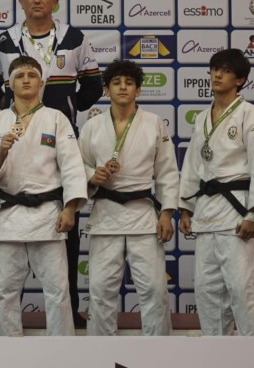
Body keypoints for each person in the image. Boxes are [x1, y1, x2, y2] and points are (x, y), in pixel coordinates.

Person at [0, 0, 101, 327]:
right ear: (21, 1)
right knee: (10, 268)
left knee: (64, 240)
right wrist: (11, 109)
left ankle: (69, 311)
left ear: (54, 1)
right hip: (17, 130)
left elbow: (93, 85)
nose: (37, 0)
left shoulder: (74, 38)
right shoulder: (4, 41)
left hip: (59, 131)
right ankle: (7, 320)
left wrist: (66, 108)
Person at [0, 56, 87, 336]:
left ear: (41, 82)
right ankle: (10, 348)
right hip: (11, 215)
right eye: (19, 76)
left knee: (58, 290)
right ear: (9, 84)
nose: (26, 80)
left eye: (31, 75)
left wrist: (70, 208)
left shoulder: (56, 118)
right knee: (5, 291)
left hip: (48, 214)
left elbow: (72, 166)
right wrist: (0, 151)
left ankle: (61, 349)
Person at [78, 59, 178, 336]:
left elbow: (167, 171)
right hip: (106, 214)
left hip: (143, 215)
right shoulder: (92, 126)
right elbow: (78, 165)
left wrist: (167, 212)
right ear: (106, 90)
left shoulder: (153, 123)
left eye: (129, 83)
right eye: (116, 83)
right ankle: (101, 352)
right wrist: (92, 175)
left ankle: (158, 351)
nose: (123, 87)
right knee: (100, 290)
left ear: (138, 90)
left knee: (154, 289)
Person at [179, 49, 254, 336]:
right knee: (207, 290)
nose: (218, 75)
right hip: (206, 210)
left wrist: (253, 213)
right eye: (215, 69)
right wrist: (186, 207)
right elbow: (193, 164)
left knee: (243, 287)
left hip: (237, 211)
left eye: (226, 71)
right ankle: (216, 352)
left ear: (240, 79)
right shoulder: (202, 118)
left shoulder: (252, 115)